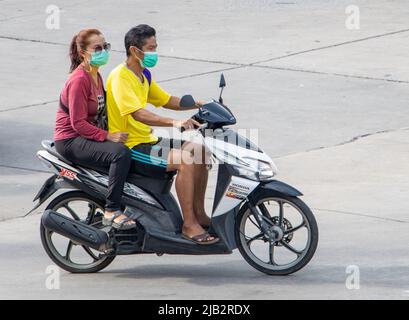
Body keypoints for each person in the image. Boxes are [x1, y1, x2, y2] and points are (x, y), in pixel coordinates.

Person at [106, 24, 219, 245]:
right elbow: (138, 114)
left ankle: (199, 214)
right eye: (150, 48)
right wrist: (175, 122)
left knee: (201, 151)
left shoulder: (143, 74)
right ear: (134, 50)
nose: (154, 53)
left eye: (155, 47)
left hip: (148, 139)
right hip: (131, 146)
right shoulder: (120, 77)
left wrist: (201, 103)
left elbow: (166, 100)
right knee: (186, 160)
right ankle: (188, 224)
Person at [54, 28, 135, 230]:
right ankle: (111, 210)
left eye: (105, 47)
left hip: (86, 135)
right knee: (120, 154)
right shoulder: (79, 79)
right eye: (97, 48)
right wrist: (108, 136)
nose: (103, 51)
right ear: (83, 53)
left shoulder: (96, 76)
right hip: (71, 140)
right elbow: (78, 123)